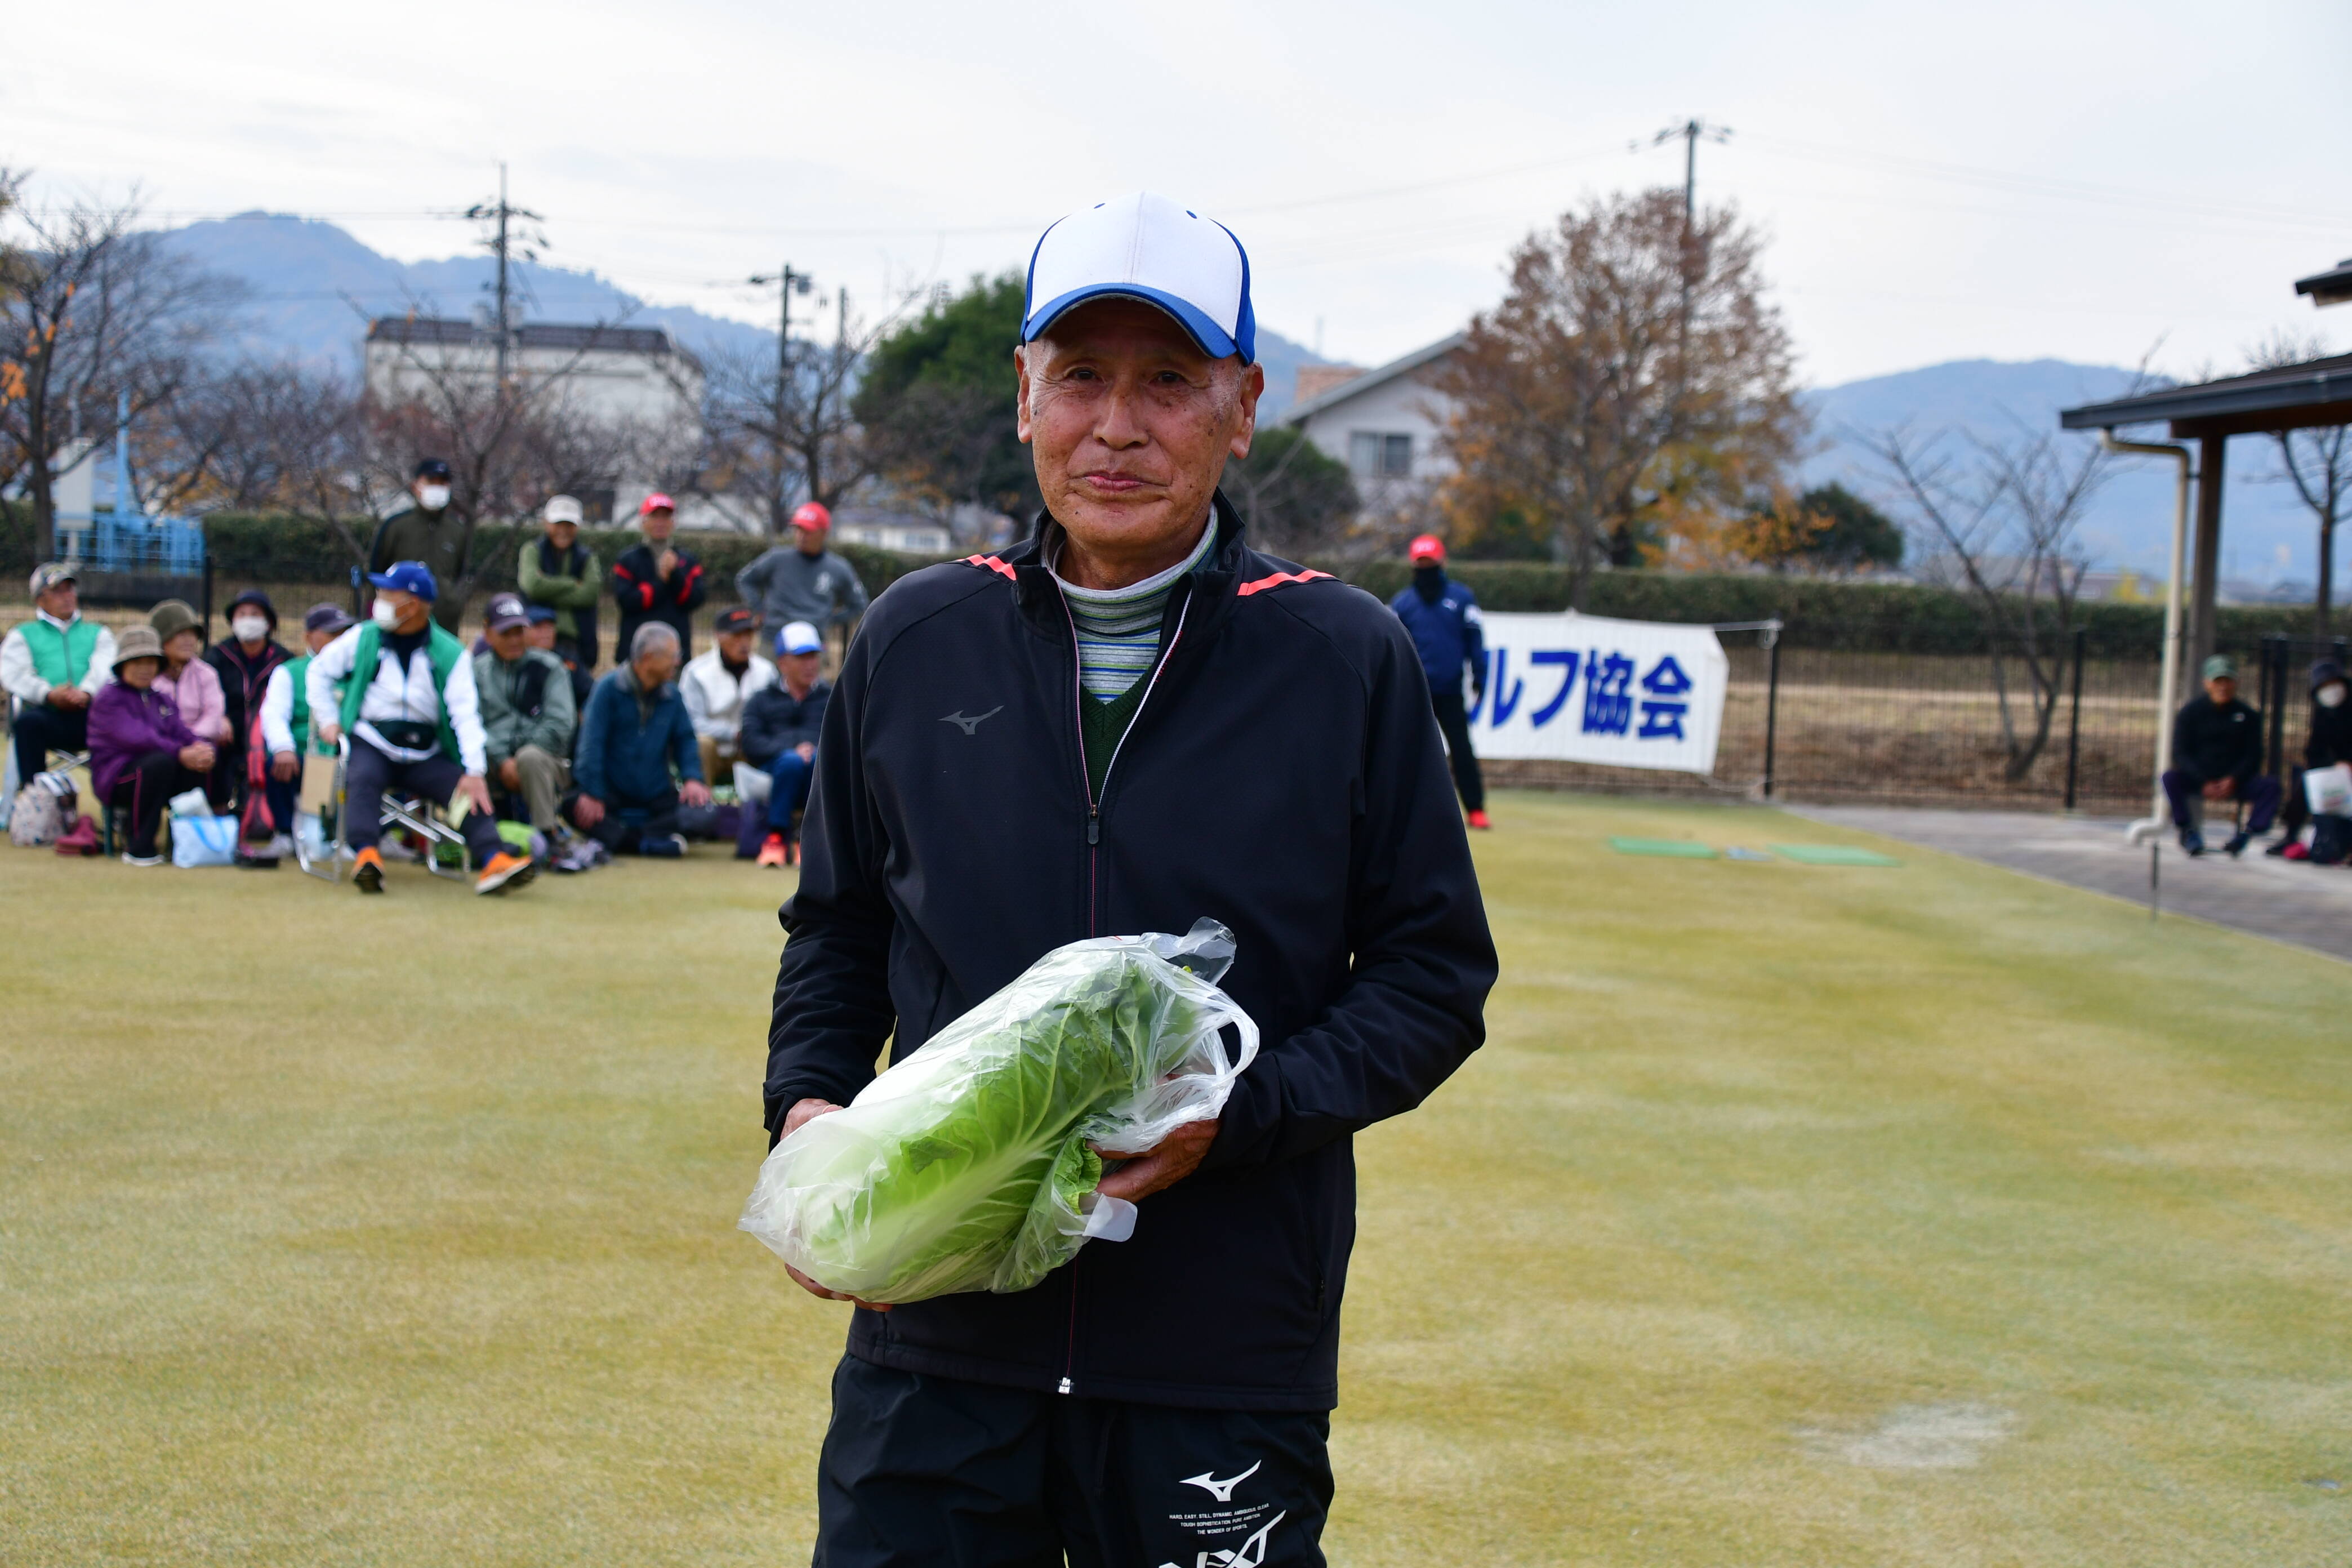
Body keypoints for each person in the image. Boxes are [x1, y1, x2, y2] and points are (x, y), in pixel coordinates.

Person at [763, 191, 1495, 1567]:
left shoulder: (1340, 656)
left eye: (1168, 382)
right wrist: (807, 1108)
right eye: (1081, 377)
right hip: (938, 1326)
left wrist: (1242, 1104)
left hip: (1215, 1343)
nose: (1117, 424)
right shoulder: (918, 636)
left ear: (1242, 406)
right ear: (1025, 392)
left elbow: (1430, 977)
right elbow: (839, 924)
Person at [306, 561, 536, 896]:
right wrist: (328, 719)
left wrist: (474, 771)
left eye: (387, 593)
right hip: (373, 740)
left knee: (464, 791)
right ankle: (367, 855)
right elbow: (318, 672)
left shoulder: (451, 653)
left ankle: (493, 858)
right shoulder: (363, 637)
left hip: (426, 750)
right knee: (363, 777)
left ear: (411, 605)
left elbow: (465, 715)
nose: (379, 599)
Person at [572, 621, 712, 857]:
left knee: (704, 815)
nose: (678, 662)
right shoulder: (607, 689)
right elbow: (590, 744)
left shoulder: (673, 695)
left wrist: (692, 778)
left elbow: (686, 740)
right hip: (611, 797)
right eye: (673, 656)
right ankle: (648, 843)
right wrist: (593, 792)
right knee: (573, 806)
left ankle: (624, 840)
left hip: (655, 799)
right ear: (648, 658)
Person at [1388, 533, 1491, 830]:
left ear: (1442, 561)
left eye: (1430, 562)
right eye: (1421, 563)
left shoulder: (1462, 598)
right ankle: (1400, 813)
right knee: (1405, 752)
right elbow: (1393, 647)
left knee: (1461, 750)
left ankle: (1475, 809)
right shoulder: (1402, 603)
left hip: (1450, 690)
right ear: (1413, 564)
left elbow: (1476, 641)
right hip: (1414, 691)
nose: (1426, 568)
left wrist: (1480, 677)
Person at [86, 626, 212, 868]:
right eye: (137, 662)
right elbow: (137, 738)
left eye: (151, 662)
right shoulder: (108, 698)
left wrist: (201, 750)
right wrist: (181, 753)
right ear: (122, 665)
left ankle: (190, 844)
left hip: (157, 769)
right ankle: (139, 847)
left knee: (197, 765)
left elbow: (182, 733)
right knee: (159, 763)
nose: (145, 669)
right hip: (115, 778)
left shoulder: (161, 699)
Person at [473, 592, 577, 842]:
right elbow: (470, 724)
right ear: (488, 633)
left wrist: (516, 757)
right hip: (491, 757)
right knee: (470, 759)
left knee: (530, 758)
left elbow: (560, 726)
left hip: (545, 761)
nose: (514, 640)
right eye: (505, 633)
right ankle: (476, 837)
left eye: (519, 632)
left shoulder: (551, 667)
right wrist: (501, 759)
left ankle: (547, 836)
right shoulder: (474, 671)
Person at [5, 564, 117, 790]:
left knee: (125, 724)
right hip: (49, 716)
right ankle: (35, 800)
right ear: (40, 600)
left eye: (70, 590)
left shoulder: (98, 633)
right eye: (58, 591)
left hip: (93, 716)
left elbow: (106, 668)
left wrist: (86, 692)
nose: (67, 597)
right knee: (27, 724)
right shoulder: (23, 635)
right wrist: (48, 693)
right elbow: (13, 674)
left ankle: (119, 803)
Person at [2163, 653, 2279, 857]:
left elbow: (2254, 754)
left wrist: (2234, 779)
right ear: (2207, 683)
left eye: (2228, 681)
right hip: (2200, 778)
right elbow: (2180, 752)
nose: (2223, 687)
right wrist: (2203, 780)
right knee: (2170, 778)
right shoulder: (2191, 714)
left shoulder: (2248, 716)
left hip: (2235, 780)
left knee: (2271, 786)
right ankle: (2188, 831)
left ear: (2236, 683)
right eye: (2218, 681)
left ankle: (2246, 834)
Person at [206, 588, 295, 854]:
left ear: (269, 622)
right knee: (214, 756)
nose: (248, 620)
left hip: (267, 736)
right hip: (228, 734)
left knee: (278, 763)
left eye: (255, 614)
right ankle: (217, 820)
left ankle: (280, 827)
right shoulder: (217, 655)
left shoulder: (283, 660)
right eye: (242, 614)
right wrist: (218, 718)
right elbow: (207, 694)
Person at [260, 603, 356, 847]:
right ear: (307, 636)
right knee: (278, 762)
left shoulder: (360, 671)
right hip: (304, 755)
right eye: (332, 633)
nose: (340, 640)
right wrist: (283, 747)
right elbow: (274, 715)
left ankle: (377, 837)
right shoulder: (288, 672)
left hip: (352, 755)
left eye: (344, 633)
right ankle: (284, 834)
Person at [738, 620, 829, 867]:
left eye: (814, 656)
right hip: (774, 768)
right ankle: (777, 838)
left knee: (819, 761)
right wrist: (792, 748)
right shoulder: (761, 700)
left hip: (818, 766)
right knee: (791, 762)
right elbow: (751, 743)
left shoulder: (832, 697)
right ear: (782, 663)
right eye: (801, 657)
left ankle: (809, 840)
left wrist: (812, 751)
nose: (810, 664)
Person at [735, 501, 869, 658]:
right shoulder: (777, 558)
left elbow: (859, 604)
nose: (801, 536)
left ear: (824, 533)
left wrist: (828, 620)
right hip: (773, 641)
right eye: (798, 529)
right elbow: (745, 580)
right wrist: (759, 609)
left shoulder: (839, 568)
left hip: (812, 645)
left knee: (811, 683)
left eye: (808, 531)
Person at [369, 459, 470, 633]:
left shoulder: (457, 530)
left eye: (443, 483)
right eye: (431, 482)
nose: (437, 488)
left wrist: (453, 603)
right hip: (401, 619)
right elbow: (377, 568)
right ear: (416, 486)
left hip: (444, 623)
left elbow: (459, 574)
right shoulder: (396, 525)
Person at [681, 605, 776, 788]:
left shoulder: (766, 671)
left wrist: (750, 736)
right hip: (714, 750)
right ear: (718, 636)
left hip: (750, 749)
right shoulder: (697, 672)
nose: (744, 642)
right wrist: (732, 734)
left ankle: (764, 813)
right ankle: (702, 809)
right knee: (702, 744)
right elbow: (691, 721)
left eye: (748, 634)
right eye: (737, 635)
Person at [148, 599, 231, 807]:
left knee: (210, 757)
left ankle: (213, 822)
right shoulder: (146, 675)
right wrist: (177, 748)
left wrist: (192, 742)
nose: (189, 640)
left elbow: (214, 714)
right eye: (180, 634)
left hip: (198, 742)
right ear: (162, 639)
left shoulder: (207, 674)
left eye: (192, 634)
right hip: (159, 746)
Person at [611, 493, 706, 660]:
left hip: (676, 654)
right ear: (643, 522)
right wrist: (661, 582)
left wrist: (675, 574)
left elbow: (695, 599)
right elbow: (626, 601)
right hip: (636, 653)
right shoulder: (628, 559)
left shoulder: (687, 560)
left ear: (673, 523)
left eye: (666, 517)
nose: (660, 523)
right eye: (655, 517)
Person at [2278, 660, 2352, 861]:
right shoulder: (2323, 714)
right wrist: (2333, 765)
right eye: (2325, 686)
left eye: (2333, 683)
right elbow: (2314, 750)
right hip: (2334, 771)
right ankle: (2291, 836)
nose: (2331, 691)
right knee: (2304, 781)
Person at [518, 493, 602, 670]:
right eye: (558, 524)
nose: (563, 530)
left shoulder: (587, 556)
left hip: (576, 644)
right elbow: (533, 586)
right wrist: (571, 584)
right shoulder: (532, 550)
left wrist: (547, 590)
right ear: (547, 524)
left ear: (577, 527)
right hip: (537, 641)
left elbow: (590, 594)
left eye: (569, 525)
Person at [525, 605, 595, 723]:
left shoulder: (569, 660)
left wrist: (586, 713)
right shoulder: (518, 661)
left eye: (549, 627)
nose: (545, 634)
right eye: (539, 628)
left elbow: (589, 692)